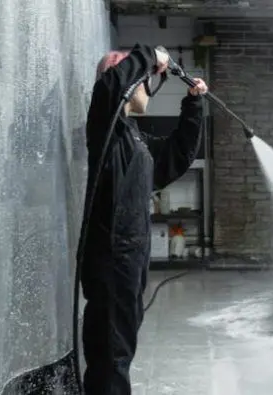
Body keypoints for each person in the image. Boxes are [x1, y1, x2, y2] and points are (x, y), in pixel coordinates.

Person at [78, 43, 208, 395]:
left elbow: (175, 158)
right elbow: (111, 86)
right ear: (123, 79)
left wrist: (193, 105)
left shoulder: (132, 139)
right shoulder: (107, 127)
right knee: (112, 357)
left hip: (130, 262)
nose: (149, 87)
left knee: (119, 352)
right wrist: (151, 55)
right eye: (144, 80)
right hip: (111, 259)